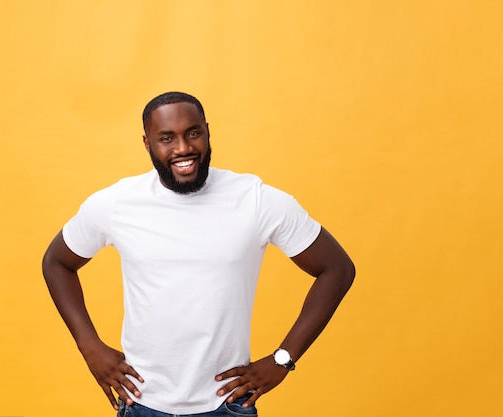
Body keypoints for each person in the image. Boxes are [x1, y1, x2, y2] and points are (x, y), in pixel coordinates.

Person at [42, 91, 355, 416]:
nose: (183, 148)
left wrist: (283, 358)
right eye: (167, 138)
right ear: (148, 144)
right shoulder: (117, 203)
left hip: (225, 406)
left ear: (207, 132)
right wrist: (89, 346)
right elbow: (57, 262)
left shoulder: (255, 199)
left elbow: (337, 268)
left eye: (193, 133)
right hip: (142, 405)